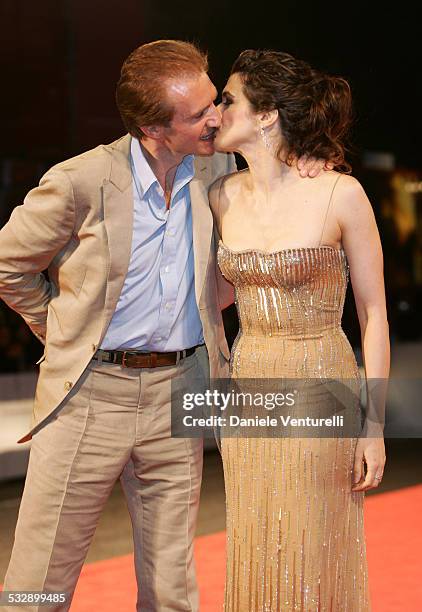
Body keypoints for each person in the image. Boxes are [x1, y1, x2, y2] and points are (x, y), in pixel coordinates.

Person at [0, 41, 322, 611]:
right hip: (90, 396)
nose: (215, 118)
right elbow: (8, 264)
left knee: (173, 586)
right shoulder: (82, 180)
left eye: (213, 101)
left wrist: (307, 166)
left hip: (181, 391)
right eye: (198, 114)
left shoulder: (217, 167)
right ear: (154, 127)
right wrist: (61, 329)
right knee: (39, 580)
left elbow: (281, 180)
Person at [210, 50, 389, 611]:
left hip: (321, 381)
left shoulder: (340, 194)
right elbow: (216, 299)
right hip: (248, 385)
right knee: (256, 538)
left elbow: (374, 314)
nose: (215, 112)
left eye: (227, 99)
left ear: (266, 116)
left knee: (313, 541)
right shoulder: (219, 197)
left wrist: (374, 424)